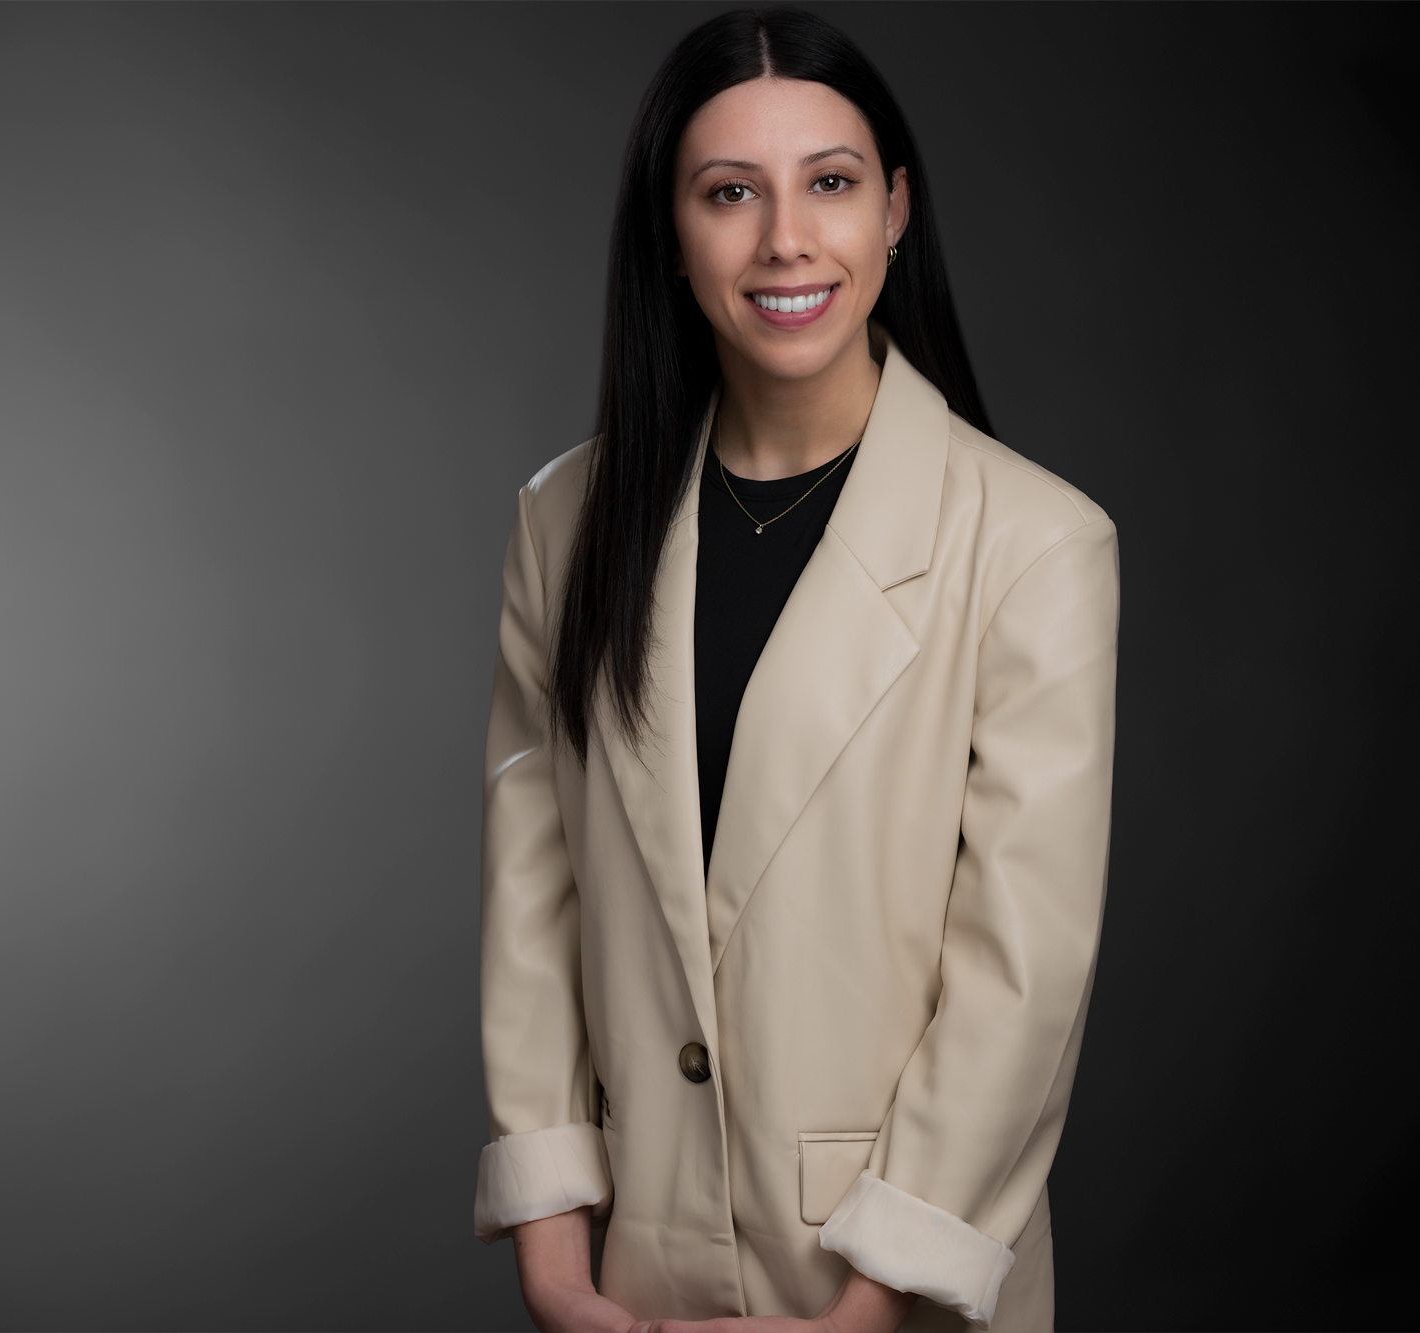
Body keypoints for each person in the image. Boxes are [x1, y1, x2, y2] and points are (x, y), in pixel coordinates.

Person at [473, 10, 1117, 1332]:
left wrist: (872, 1298)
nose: (785, 239)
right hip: (634, 1282)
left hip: (898, 1276)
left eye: (830, 182)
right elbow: (533, 902)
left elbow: (1023, 972)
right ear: (672, 230)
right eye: (729, 193)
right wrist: (551, 1255)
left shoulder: (1038, 541)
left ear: (894, 211)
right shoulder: (565, 520)